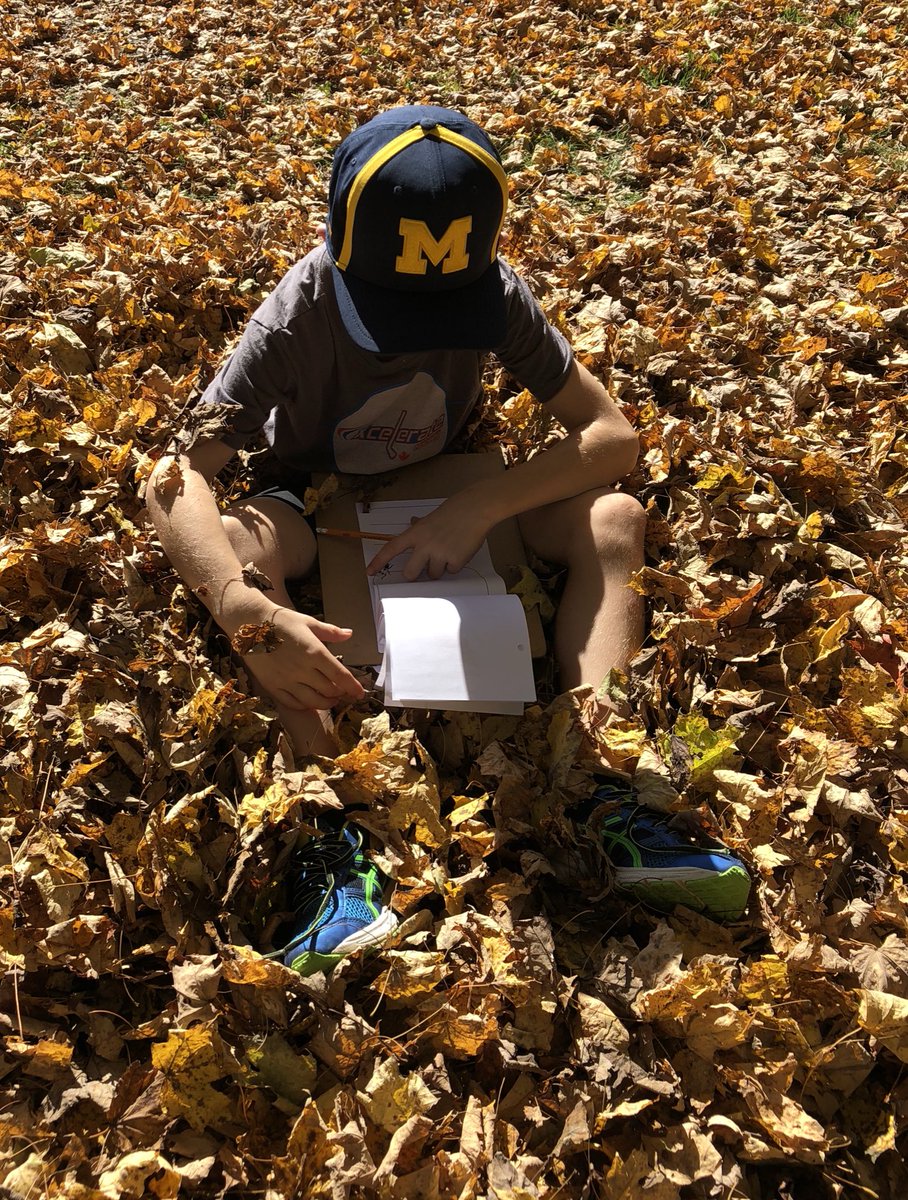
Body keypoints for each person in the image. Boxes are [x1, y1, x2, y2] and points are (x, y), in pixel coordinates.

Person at [145, 106, 750, 974]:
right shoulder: (298, 310)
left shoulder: (497, 295)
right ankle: (335, 839)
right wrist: (243, 609)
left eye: (443, 313)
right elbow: (176, 479)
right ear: (339, 253)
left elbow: (611, 435)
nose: (425, 333)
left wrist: (478, 510)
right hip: (314, 506)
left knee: (615, 518)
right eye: (393, 316)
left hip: (446, 491)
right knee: (244, 545)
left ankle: (604, 788)